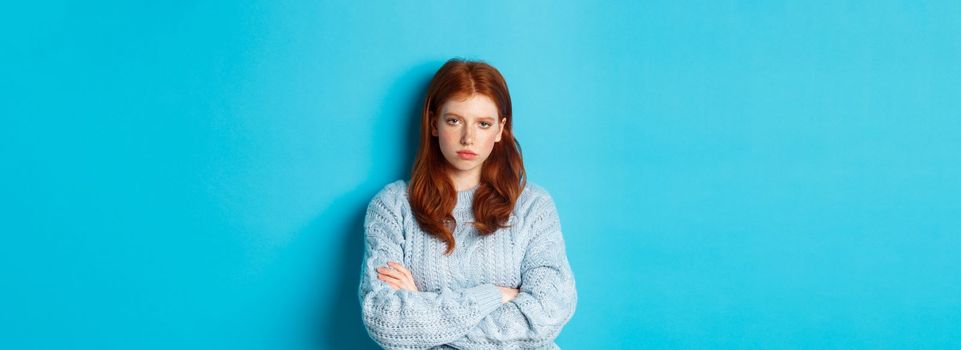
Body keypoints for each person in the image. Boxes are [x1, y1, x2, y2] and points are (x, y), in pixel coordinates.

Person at [358, 58, 577, 349]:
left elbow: (547, 314)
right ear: (434, 123)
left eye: (483, 124)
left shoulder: (533, 207)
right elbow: (384, 319)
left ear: (500, 130)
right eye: (454, 120)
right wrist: (495, 295)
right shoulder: (392, 206)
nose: (468, 138)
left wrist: (422, 309)